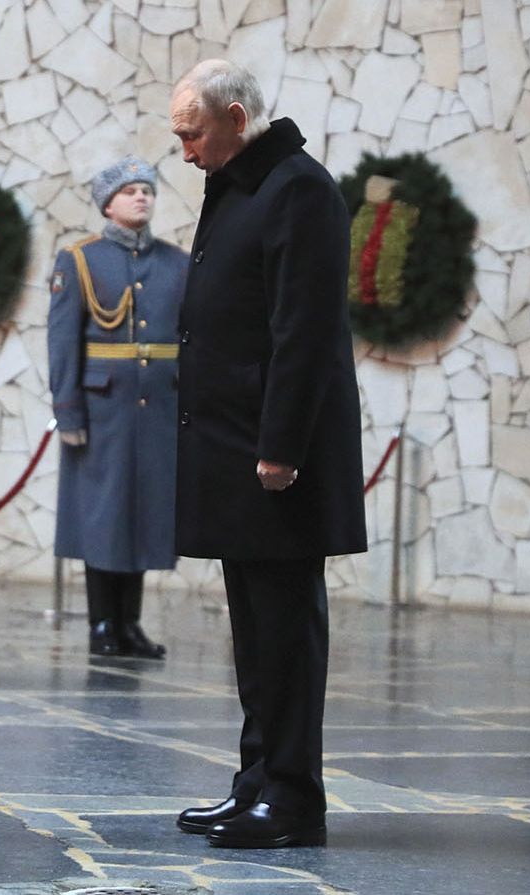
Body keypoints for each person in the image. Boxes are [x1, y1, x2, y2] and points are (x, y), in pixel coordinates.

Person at [166, 59, 365, 849]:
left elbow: (304, 329)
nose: (183, 150)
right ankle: (256, 781)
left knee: (285, 628)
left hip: (275, 456)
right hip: (235, 447)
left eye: (194, 133)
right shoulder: (244, 185)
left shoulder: (299, 188)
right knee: (254, 628)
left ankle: (292, 799)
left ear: (237, 117)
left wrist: (280, 446)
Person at [48, 157, 188, 660]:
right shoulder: (80, 260)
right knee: (103, 519)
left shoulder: (176, 263)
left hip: (159, 409)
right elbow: (63, 342)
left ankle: (130, 624)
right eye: (130, 192)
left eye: (147, 191)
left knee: (146, 517)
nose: (141, 198)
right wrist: (68, 412)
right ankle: (102, 624)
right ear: (108, 203)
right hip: (101, 410)